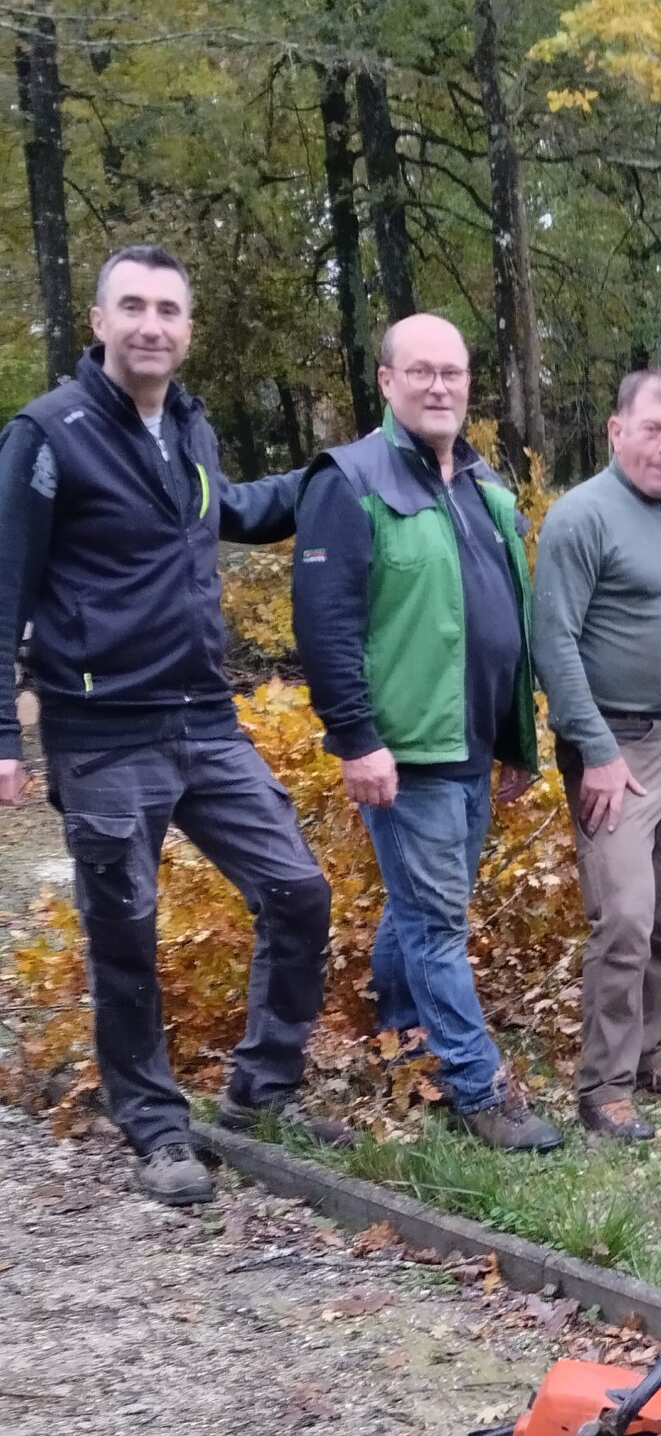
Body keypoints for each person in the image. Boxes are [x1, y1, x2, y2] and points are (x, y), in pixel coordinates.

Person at [0, 245, 331, 1208]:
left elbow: (214, 514)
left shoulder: (187, 426)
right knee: (126, 931)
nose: (153, 324)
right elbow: (5, 585)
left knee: (298, 890)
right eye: (133, 306)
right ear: (99, 322)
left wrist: (327, 478)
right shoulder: (46, 436)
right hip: (104, 729)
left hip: (203, 716)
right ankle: (153, 1125)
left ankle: (259, 1092)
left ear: (188, 330)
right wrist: (4, 737)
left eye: (170, 310)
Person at [292, 313, 560, 1154]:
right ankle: (476, 1087)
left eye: (453, 372)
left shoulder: (485, 492)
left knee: (422, 907)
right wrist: (357, 740)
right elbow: (326, 629)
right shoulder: (351, 481)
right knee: (439, 922)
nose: (439, 385)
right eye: (421, 372)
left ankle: (402, 1032)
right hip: (407, 752)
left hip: (472, 746)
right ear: (386, 382)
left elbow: (500, 624)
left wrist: (516, 741)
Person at [532, 368, 661, 1142]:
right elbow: (554, 642)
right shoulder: (582, 518)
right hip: (615, 748)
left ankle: (645, 1055)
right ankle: (601, 1088)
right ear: (616, 430)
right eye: (652, 429)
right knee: (625, 914)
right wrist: (596, 752)